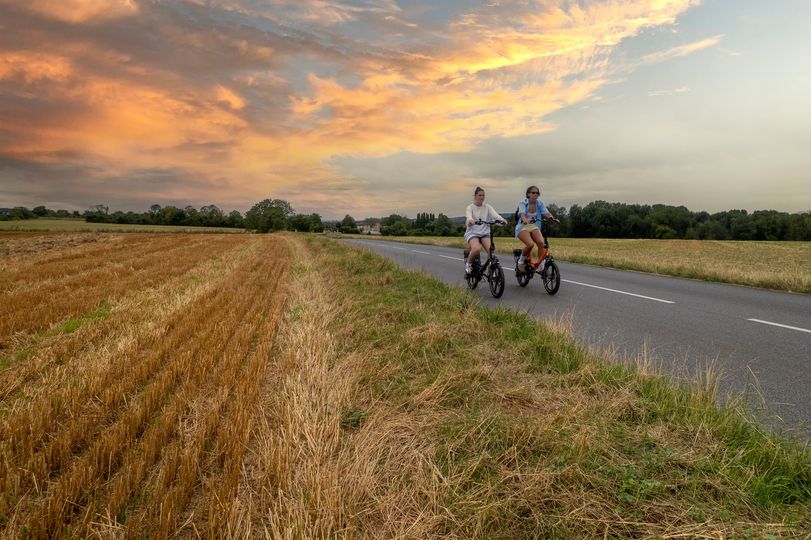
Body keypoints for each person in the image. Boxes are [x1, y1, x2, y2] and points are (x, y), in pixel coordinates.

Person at [464, 187, 506, 275]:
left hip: (485, 233)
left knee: (491, 253)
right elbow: (468, 217)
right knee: (476, 249)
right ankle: (468, 264)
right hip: (473, 233)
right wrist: (471, 221)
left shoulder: (487, 207)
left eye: (483, 195)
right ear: (475, 196)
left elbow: (496, 216)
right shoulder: (470, 207)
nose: (482, 197)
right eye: (480, 195)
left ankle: (492, 269)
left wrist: (502, 220)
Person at [515, 185, 558, 271]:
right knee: (530, 244)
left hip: (534, 226)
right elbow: (522, 214)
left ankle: (541, 265)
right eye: (533, 192)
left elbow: (546, 212)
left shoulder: (539, 203)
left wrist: (552, 218)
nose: (535, 194)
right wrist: (524, 220)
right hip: (523, 226)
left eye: (537, 193)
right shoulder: (523, 202)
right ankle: (521, 261)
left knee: (541, 243)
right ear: (528, 194)